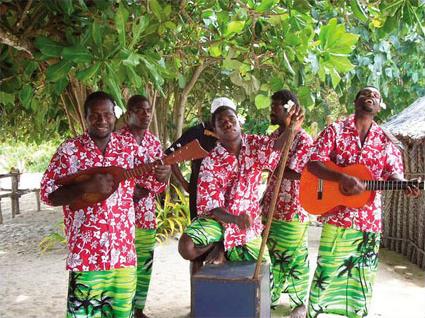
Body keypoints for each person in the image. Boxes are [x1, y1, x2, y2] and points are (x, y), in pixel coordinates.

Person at [306, 86, 421, 318]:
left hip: (368, 220)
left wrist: (403, 184)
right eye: (365, 94)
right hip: (337, 216)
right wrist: (341, 177)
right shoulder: (335, 131)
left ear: (378, 108)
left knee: (361, 274)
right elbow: (313, 163)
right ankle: (316, 313)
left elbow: (393, 173)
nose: (370, 97)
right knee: (327, 270)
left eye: (376, 96)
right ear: (355, 101)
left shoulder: (385, 140)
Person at [178, 97, 302, 281]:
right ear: (216, 131)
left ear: (239, 123)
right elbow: (211, 206)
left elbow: (276, 146)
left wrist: (292, 127)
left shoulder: (255, 144)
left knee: (264, 277)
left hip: (248, 227)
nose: (227, 123)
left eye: (231, 119)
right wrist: (235, 219)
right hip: (219, 222)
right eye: (221, 122)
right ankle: (217, 244)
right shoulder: (210, 162)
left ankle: (223, 247)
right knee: (186, 247)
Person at [40, 91, 139, 317]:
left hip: (123, 254)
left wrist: (162, 174)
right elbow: (48, 194)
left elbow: (149, 183)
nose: (102, 120)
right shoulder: (69, 150)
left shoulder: (129, 147)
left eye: (107, 114)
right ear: (85, 118)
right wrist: (84, 187)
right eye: (95, 115)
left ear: (115, 116)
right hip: (87, 255)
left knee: (122, 313)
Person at [116, 95, 170, 318]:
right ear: (128, 114)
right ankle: (124, 310)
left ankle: (138, 309)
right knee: (123, 266)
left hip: (146, 213)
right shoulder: (116, 140)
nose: (146, 114)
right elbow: (110, 177)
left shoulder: (154, 143)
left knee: (144, 263)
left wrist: (164, 176)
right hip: (120, 216)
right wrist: (129, 190)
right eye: (139, 110)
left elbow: (159, 182)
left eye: (148, 110)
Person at [261, 90, 313, 318]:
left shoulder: (303, 139)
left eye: (276, 107)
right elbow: (265, 162)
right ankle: (272, 296)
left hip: (293, 208)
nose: (271, 111)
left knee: (295, 256)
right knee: (272, 254)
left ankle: (300, 303)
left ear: (290, 110)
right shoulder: (274, 137)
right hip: (270, 205)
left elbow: (292, 171)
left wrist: (291, 132)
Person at [165, 98, 225, 221]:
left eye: (229, 118)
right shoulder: (196, 132)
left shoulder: (231, 135)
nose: (225, 123)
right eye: (220, 118)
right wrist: (184, 183)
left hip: (225, 195)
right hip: (199, 194)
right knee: (198, 233)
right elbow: (170, 156)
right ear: (213, 117)